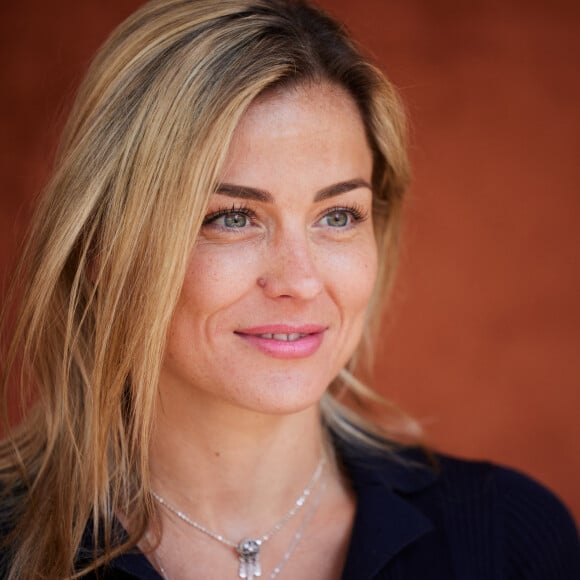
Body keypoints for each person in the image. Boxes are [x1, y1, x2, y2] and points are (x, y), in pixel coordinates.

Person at [0, 0, 578, 578]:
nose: (300, 281)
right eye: (232, 218)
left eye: (338, 216)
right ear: (104, 251)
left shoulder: (507, 541)